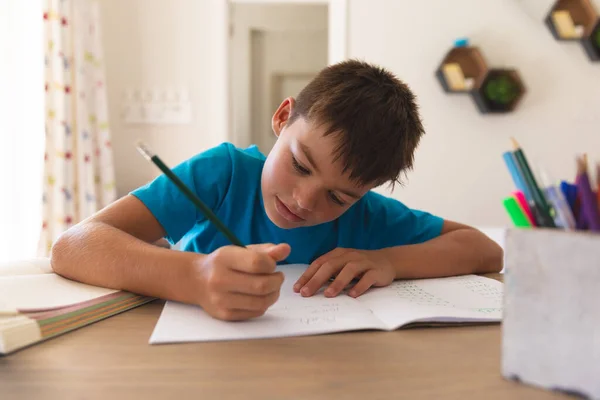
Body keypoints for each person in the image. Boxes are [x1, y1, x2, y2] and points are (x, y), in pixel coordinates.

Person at [51, 59, 503, 321]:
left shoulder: (367, 217)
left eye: (340, 197)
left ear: (365, 192)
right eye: (300, 164)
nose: (305, 201)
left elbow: (483, 249)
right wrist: (195, 276)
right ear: (282, 117)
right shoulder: (222, 173)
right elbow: (72, 247)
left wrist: (387, 260)